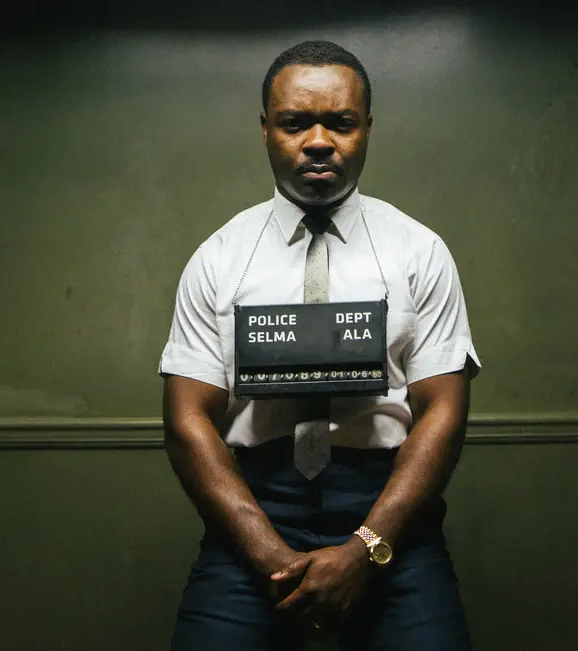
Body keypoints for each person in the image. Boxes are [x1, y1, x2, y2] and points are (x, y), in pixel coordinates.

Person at [159, 39, 480, 651]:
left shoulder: (419, 252)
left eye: (340, 123)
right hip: (254, 513)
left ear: (367, 130)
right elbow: (186, 421)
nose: (317, 141)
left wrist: (366, 548)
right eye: (294, 123)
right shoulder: (219, 258)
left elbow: (443, 410)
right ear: (265, 129)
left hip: (389, 514)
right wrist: (270, 557)